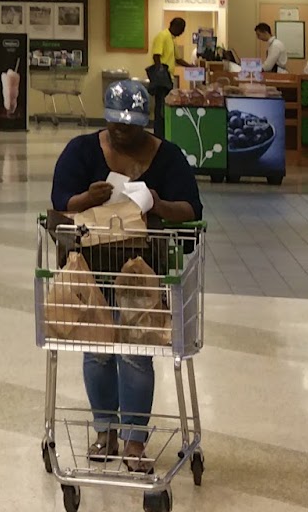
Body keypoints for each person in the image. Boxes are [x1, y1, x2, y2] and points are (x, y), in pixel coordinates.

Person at [48, 79, 203, 472]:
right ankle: (105, 431)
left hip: (142, 272)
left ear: (145, 122)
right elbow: (61, 201)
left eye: (130, 127)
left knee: (136, 353)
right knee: (98, 350)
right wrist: (88, 199)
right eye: (115, 125)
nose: (121, 133)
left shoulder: (168, 157)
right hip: (93, 269)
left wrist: (157, 204)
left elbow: (191, 209)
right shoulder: (81, 151)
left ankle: (134, 440)